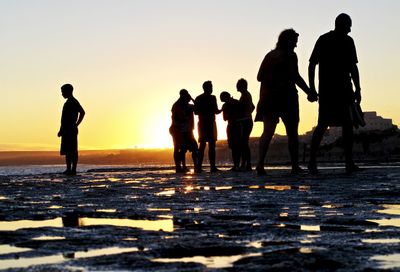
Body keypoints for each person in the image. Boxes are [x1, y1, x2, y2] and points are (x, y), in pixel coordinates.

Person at [255, 29, 317, 175]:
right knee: (292, 133)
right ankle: (295, 166)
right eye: (295, 42)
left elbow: (259, 77)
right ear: (288, 41)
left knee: (267, 132)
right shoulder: (290, 56)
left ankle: (260, 164)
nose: (296, 45)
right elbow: (295, 76)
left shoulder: (269, 56)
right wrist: (309, 91)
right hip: (286, 98)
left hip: (268, 99)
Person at [308, 13, 362, 174]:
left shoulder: (326, 39)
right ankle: (346, 162)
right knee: (332, 125)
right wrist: (358, 89)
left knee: (332, 125)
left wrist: (357, 88)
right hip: (336, 90)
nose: (351, 29)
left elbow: (312, 65)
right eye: (349, 25)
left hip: (335, 90)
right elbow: (353, 67)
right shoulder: (343, 41)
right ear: (342, 24)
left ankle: (345, 162)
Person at [57, 84, 85, 175]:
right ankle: (69, 169)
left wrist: (76, 124)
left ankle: (73, 170)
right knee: (67, 150)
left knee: (72, 150)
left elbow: (82, 112)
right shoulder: (68, 102)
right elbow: (64, 119)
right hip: (66, 129)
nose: (62, 94)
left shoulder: (73, 101)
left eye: (63, 92)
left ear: (68, 91)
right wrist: (61, 130)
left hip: (71, 129)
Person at [194, 81, 221, 173]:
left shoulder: (198, 98)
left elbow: (196, 112)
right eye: (211, 86)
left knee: (202, 145)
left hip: (202, 123)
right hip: (209, 123)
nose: (212, 88)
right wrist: (222, 109)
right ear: (208, 88)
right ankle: (212, 167)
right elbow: (216, 111)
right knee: (211, 145)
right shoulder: (212, 98)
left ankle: (199, 166)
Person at [169, 89, 198, 173]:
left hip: (187, 130)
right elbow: (180, 118)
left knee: (193, 147)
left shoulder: (189, 106)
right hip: (177, 129)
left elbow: (197, 106)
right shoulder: (177, 106)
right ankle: (179, 167)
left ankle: (194, 166)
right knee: (179, 148)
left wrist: (192, 98)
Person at [236, 78, 255, 171]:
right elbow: (253, 106)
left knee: (244, 144)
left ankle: (245, 164)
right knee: (244, 143)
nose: (236, 86)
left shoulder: (245, 96)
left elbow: (240, 108)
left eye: (238, 84)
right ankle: (247, 164)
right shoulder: (247, 95)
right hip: (247, 120)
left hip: (245, 121)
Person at [220, 91, 241, 171]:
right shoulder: (236, 102)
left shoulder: (226, 105)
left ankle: (236, 165)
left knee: (234, 146)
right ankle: (237, 165)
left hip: (233, 125)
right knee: (236, 146)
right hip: (236, 125)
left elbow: (225, 118)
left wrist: (229, 115)